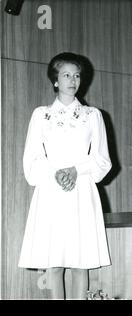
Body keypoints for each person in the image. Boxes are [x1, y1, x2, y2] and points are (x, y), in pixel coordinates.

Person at [18, 52, 112, 299]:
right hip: (51, 192)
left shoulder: (93, 116)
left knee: (81, 264)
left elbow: (102, 160)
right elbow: (31, 160)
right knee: (55, 263)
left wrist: (75, 170)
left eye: (77, 75)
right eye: (66, 75)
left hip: (81, 192)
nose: (73, 80)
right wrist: (56, 173)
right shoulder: (41, 115)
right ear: (56, 81)